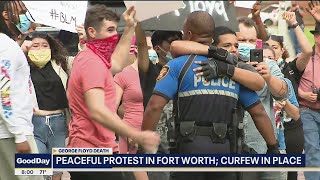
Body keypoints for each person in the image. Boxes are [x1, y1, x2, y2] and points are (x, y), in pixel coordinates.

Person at [142, 11, 279, 180]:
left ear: (189, 34)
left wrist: (145, 143)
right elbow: (259, 112)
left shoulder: (178, 65)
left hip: (189, 152)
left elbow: (155, 106)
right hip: (225, 154)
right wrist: (273, 147)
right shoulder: (233, 73)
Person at [67, 5, 160, 180]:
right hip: (90, 154)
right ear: (92, 32)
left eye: (115, 30)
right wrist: (136, 134)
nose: (114, 35)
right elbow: (97, 110)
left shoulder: (96, 58)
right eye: (109, 30)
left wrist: (130, 27)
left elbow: (117, 63)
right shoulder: (91, 62)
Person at [0, 1, 42, 180]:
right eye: (22, 11)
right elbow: (3, 92)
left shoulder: (9, 45)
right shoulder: (5, 46)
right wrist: (19, 135)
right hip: (13, 133)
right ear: (6, 15)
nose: (26, 15)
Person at [136, 23, 182, 180]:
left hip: (182, 139)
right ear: (157, 48)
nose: (176, 45)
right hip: (157, 141)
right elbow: (141, 44)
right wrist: (138, 21)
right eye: (171, 42)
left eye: (179, 41)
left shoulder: (187, 70)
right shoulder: (149, 70)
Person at [25, 31, 71, 180]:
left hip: (58, 122)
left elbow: (82, 60)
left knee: (57, 168)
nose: (40, 49)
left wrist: (83, 41)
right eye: (35, 46)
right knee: (39, 168)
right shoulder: (22, 67)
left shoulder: (61, 64)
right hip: (34, 123)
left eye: (45, 45)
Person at [263, 44, 303, 180]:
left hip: (278, 143)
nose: (266, 62)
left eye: (270, 58)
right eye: (262, 58)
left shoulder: (284, 84)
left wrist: (285, 103)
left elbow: (296, 114)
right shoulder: (247, 80)